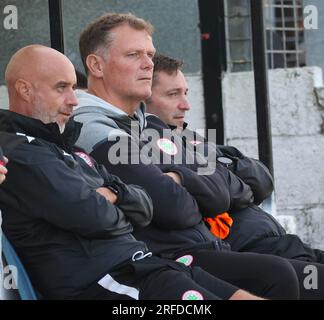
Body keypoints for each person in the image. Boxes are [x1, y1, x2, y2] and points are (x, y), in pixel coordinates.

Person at [73, 12, 322, 299]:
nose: (147, 65)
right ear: (96, 65)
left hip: (219, 247)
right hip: (166, 261)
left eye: (150, 55)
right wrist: (191, 189)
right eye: (133, 54)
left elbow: (223, 189)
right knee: (278, 276)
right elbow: (172, 207)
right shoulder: (94, 127)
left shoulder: (151, 124)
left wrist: (179, 177)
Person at [0, 45, 271, 301]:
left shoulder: (65, 145)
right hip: (104, 280)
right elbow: (97, 216)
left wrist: (114, 194)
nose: (73, 100)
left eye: (73, 87)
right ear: (24, 89)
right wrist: (117, 200)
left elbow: (144, 208)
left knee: (253, 289)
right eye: (61, 88)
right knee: (274, 276)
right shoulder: (24, 153)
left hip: (142, 266)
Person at [145, 53, 324, 264]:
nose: (186, 104)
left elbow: (262, 179)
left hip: (279, 242)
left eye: (186, 93)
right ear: (142, 97)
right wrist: (226, 180)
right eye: (173, 94)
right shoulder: (145, 147)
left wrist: (223, 180)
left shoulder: (190, 138)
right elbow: (217, 193)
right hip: (250, 254)